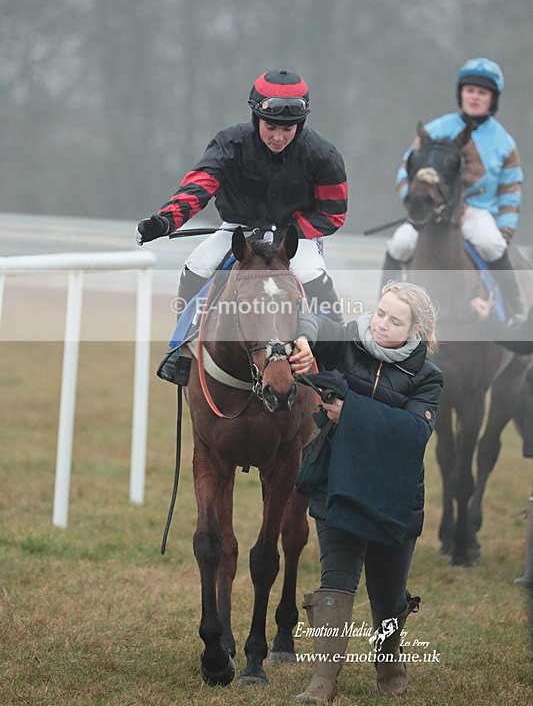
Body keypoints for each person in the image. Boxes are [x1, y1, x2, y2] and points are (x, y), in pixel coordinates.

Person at [289, 280, 443, 703]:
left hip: (396, 495)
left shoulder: (429, 377)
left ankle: (389, 655)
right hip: (337, 481)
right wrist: (303, 336)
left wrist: (349, 411)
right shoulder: (348, 342)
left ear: (414, 331)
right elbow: (316, 321)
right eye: (380, 313)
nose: (381, 324)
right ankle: (322, 682)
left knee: (388, 594)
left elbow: (414, 432)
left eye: (395, 321)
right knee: (334, 581)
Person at [136, 68, 348, 320]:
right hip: (239, 229)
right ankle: (180, 349)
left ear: (299, 124)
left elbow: (332, 214)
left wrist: (288, 232)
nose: (278, 138)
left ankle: (336, 348)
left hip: (295, 237)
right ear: (256, 117)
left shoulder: (324, 155)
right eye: (270, 127)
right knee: (196, 266)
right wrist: (167, 221)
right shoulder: (229, 144)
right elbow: (198, 187)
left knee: (311, 275)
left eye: (288, 129)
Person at [384, 57, 525, 325]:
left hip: (476, 213)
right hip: (429, 211)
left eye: (482, 92)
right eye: (470, 90)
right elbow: (406, 170)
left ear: (493, 99)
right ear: (460, 93)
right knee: (399, 243)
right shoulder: (434, 130)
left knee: (492, 244)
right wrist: (414, 203)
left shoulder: (504, 143)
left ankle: (515, 311)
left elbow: (510, 191)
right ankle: (383, 307)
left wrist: (505, 230)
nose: (475, 97)